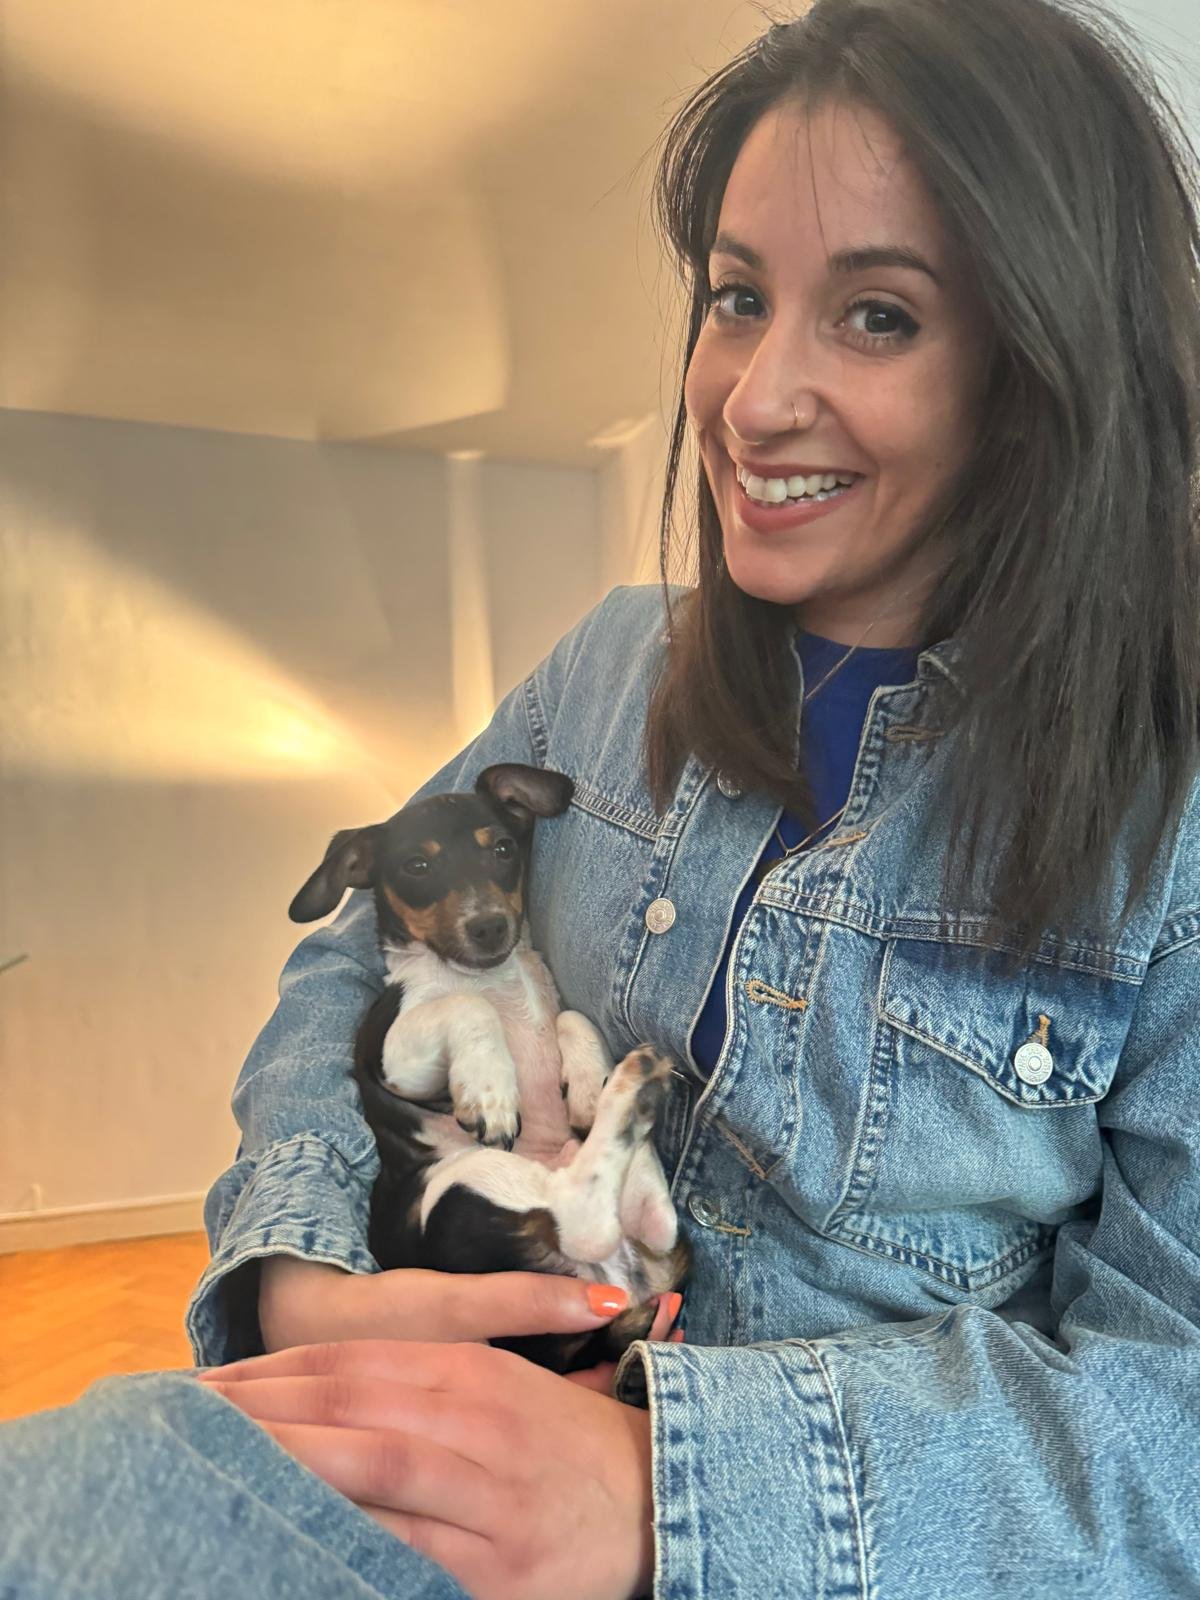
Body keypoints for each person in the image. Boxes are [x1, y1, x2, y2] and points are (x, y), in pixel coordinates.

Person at [3, 0, 1199, 1594]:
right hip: (408, 1453)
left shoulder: (1166, 818)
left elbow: (1166, 1416)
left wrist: (660, 1489)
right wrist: (300, 1259)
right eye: (736, 297)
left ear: (1046, 365)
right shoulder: (608, 665)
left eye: (879, 318)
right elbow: (355, 948)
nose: (753, 398)